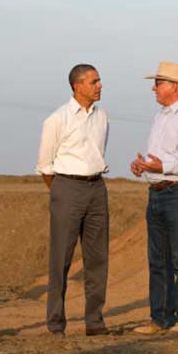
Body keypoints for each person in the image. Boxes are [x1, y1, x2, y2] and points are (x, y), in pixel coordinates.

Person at [130, 61, 178, 335]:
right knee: (157, 259)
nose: (154, 88)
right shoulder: (160, 116)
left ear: (175, 87)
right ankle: (160, 318)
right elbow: (159, 158)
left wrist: (162, 166)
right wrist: (144, 166)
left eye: (159, 83)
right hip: (157, 191)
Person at [36, 64, 110, 338]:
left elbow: (98, 152)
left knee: (98, 258)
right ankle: (56, 324)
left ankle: (95, 321)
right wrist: (62, 191)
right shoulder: (57, 119)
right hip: (66, 187)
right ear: (77, 86)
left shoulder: (102, 117)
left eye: (99, 80)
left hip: (97, 188)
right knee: (61, 259)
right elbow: (45, 165)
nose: (100, 85)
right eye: (94, 81)